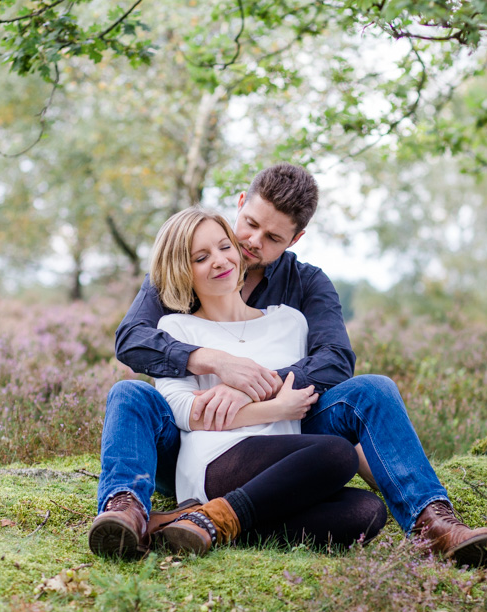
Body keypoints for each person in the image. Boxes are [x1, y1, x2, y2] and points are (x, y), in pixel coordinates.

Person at [90, 163, 487, 566]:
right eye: (249, 223)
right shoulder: (184, 266)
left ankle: (432, 522)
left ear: (296, 238)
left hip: (289, 430)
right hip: (188, 443)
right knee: (131, 393)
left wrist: (256, 386)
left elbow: (336, 360)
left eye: (272, 237)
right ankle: (128, 512)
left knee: (368, 447)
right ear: (241, 202)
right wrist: (213, 361)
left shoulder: (304, 290)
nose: (251, 241)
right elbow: (131, 341)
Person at [89, 207, 385, 555]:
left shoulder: (291, 322)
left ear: (237, 249)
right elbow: (186, 412)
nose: (218, 261)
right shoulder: (176, 328)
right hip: (219, 458)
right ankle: (205, 515)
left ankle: (196, 523)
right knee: (335, 453)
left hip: (283, 460)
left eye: (223, 247)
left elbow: (324, 375)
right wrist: (276, 408)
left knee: (366, 511)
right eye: (201, 257)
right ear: (183, 272)